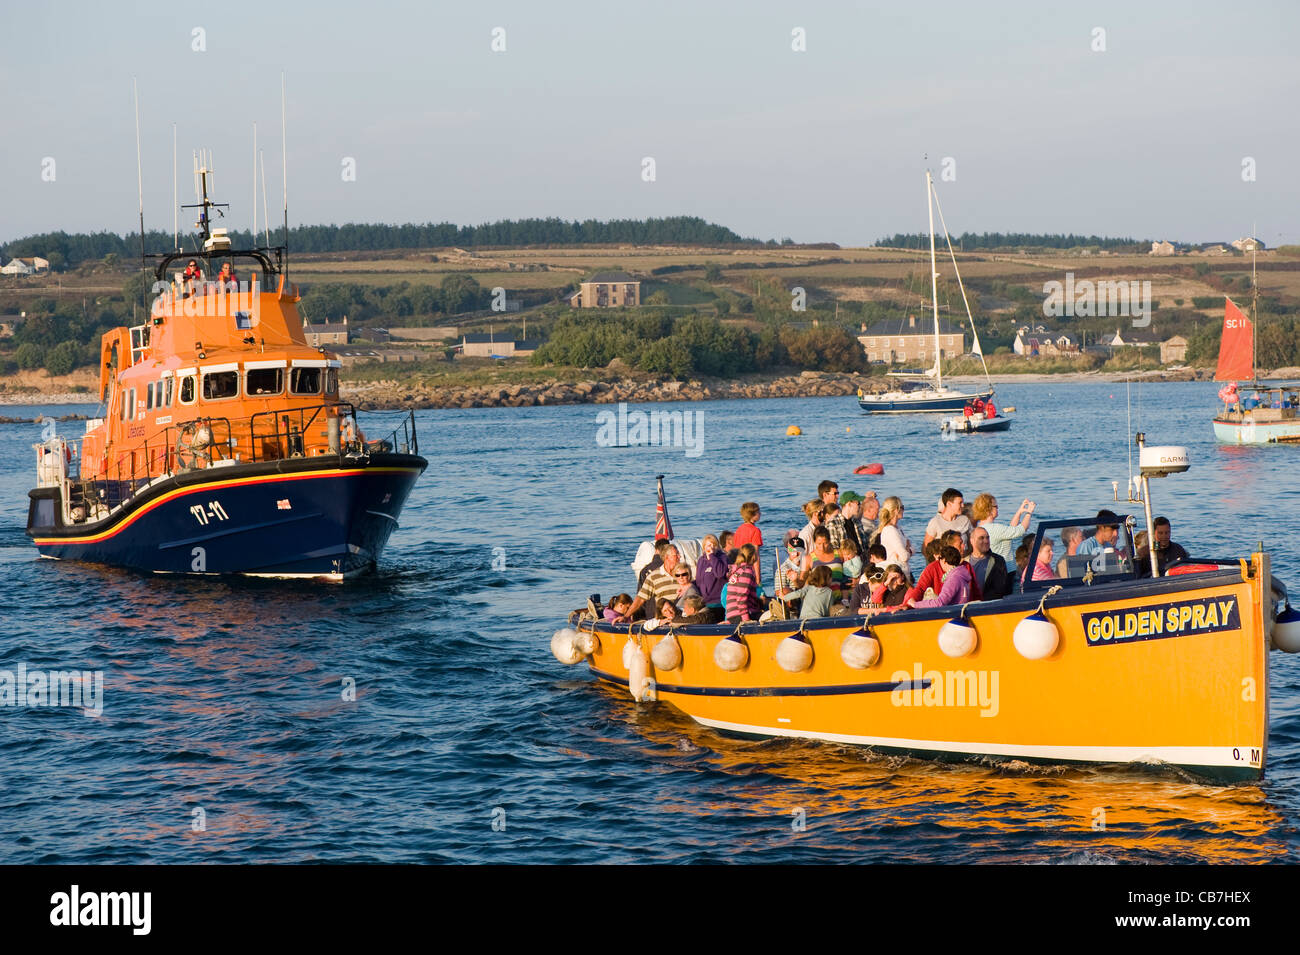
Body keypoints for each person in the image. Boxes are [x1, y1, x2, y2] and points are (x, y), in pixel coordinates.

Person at [624, 544, 683, 621]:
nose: (680, 557)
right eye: (676, 555)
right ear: (667, 557)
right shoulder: (653, 576)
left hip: (681, 619)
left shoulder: (683, 573)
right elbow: (640, 599)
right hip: (664, 620)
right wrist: (626, 616)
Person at [970, 493, 1034, 563]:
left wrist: (1019, 512)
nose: (997, 508)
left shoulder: (979, 528)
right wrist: (1029, 512)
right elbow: (1021, 530)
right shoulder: (995, 528)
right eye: (996, 506)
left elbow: (1011, 529)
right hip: (1006, 568)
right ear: (988, 510)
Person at [907, 546, 975, 608]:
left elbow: (940, 602)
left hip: (953, 615)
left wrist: (915, 604)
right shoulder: (961, 574)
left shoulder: (953, 578)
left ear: (944, 561)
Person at [876, 496, 914, 582]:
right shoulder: (890, 530)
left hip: (903, 572)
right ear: (896, 510)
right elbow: (904, 557)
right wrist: (908, 549)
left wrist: (908, 550)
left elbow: (912, 548)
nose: (903, 510)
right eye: (902, 508)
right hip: (897, 574)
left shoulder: (898, 528)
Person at [725, 544, 765, 623]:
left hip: (733, 614)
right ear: (753, 556)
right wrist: (746, 620)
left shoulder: (738, 571)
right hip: (740, 615)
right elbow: (741, 598)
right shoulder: (746, 572)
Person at [967, 526, 1010, 600]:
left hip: (988, 605)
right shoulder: (964, 561)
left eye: (987, 537)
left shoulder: (998, 561)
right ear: (972, 541)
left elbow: (1000, 589)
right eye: (981, 538)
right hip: (966, 605)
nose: (986, 541)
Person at [694, 534, 729, 617]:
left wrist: (712, 556)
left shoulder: (723, 558)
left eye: (714, 545)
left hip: (718, 602)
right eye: (709, 545)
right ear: (704, 547)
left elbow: (720, 574)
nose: (712, 547)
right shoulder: (701, 560)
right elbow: (699, 580)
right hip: (705, 602)